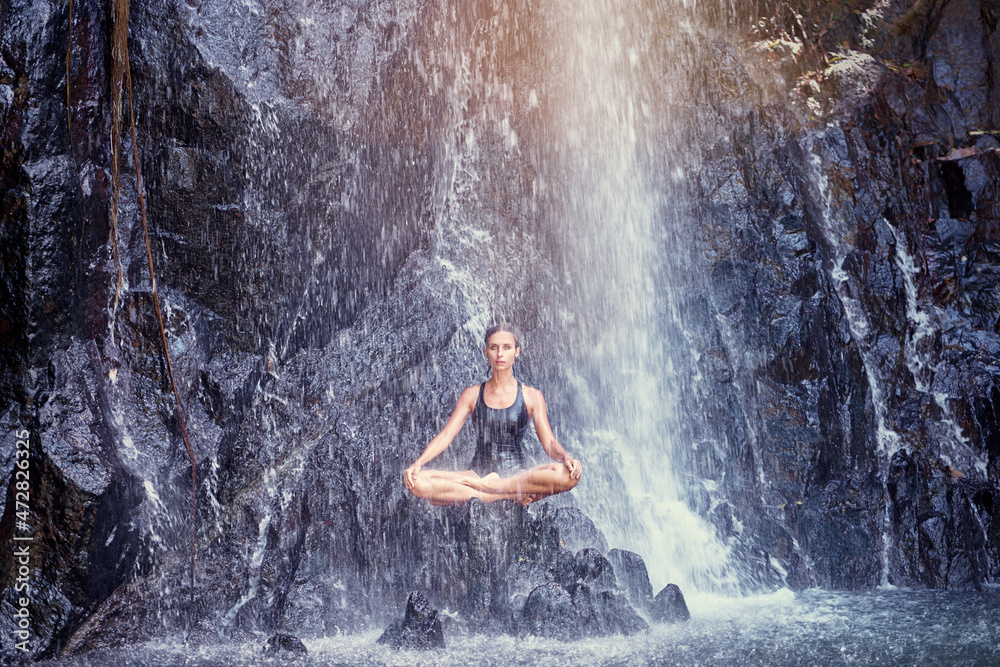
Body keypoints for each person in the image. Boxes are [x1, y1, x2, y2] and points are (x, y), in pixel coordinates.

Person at [403, 324, 583, 506]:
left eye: (507, 347)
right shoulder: (471, 394)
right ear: (485, 351)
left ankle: (493, 488)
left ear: (517, 351)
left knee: (569, 476)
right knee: (416, 481)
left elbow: (550, 443)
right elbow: (445, 436)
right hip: (476, 474)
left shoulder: (532, 396)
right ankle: (499, 495)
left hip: (517, 476)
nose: (500, 354)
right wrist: (418, 463)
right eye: (493, 347)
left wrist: (565, 458)